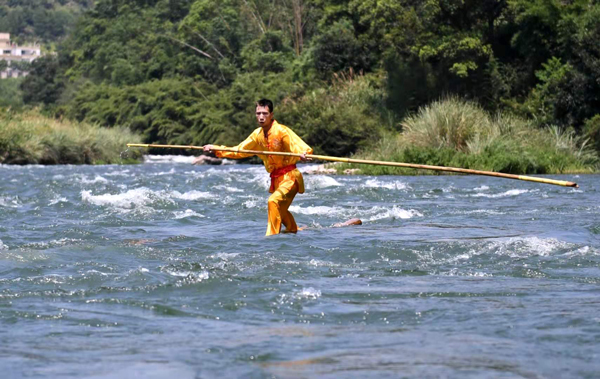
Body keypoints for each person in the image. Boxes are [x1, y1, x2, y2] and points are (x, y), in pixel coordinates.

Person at [202, 99, 313, 236]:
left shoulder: (282, 131)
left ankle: (271, 237)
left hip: (290, 177)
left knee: (273, 201)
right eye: (258, 113)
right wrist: (216, 149)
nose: (261, 117)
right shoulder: (257, 135)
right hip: (276, 178)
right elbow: (239, 150)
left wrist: (303, 153)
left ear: (271, 114)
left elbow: (297, 145)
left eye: (264, 113)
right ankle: (291, 229)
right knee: (280, 209)